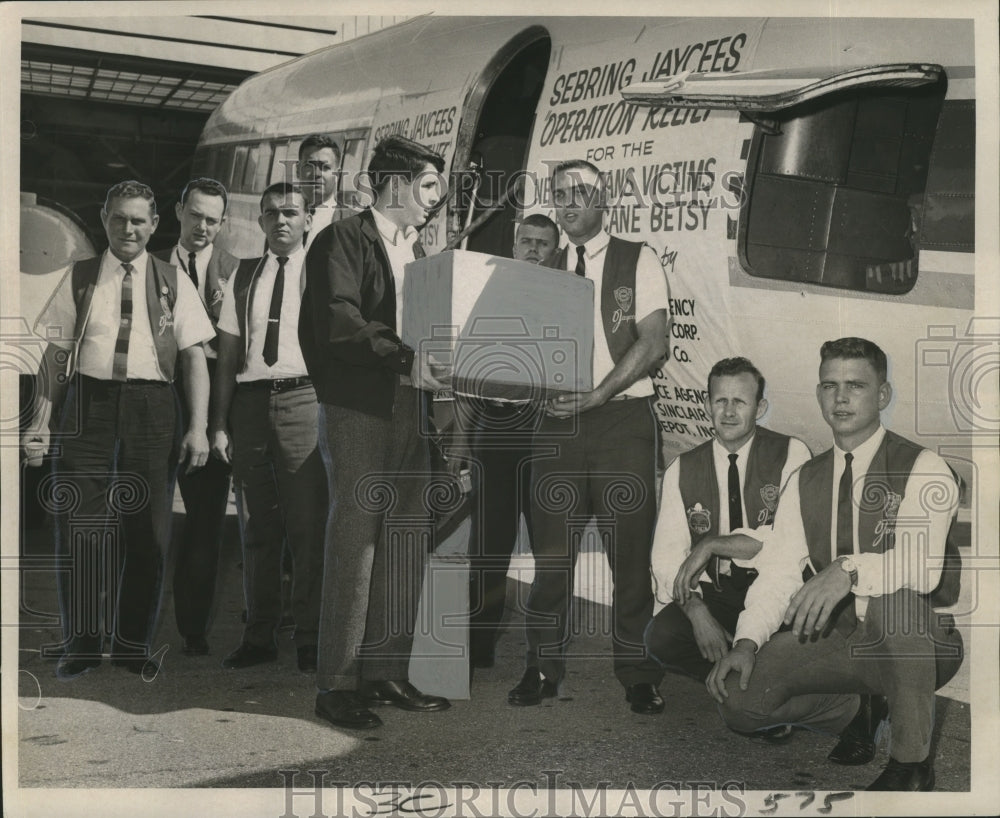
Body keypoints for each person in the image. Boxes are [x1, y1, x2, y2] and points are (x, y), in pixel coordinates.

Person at [707, 337, 964, 791]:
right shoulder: (806, 478)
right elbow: (781, 572)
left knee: (895, 601)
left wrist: (846, 569)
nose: (841, 398)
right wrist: (746, 642)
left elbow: (921, 566)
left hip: (920, 644)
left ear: (882, 396)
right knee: (741, 703)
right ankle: (859, 708)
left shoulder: (923, 466)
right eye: (829, 386)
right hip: (847, 641)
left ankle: (911, 765)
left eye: (855, 386)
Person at [21, 180, 214, 680]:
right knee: (81, 529)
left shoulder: (174, 280)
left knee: (147, 533)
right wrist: (41, 420)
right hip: (89, 406)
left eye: (138, 220)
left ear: (153, 225)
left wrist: (197, 427)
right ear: (104, 218)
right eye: (118, 218)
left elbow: (194, 357)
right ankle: (83, 644)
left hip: (153, 408)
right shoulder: (79, 276)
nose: (128, 228)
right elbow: (57, 354)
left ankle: (131, 645)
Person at [299, 135, 451, 730]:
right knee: (356, 541)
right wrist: (404, 357)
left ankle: (385, 671)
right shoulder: (342, 238)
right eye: (429, 185)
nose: (436, 199)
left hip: (413, 409)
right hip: (361, 407)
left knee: (405, 538)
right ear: (393, 183)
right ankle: (336, 684)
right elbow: (338, 320)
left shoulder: (419, 250)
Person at [509, 159, 670, 713]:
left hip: (622, 419)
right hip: (555, 425)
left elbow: (654, 342)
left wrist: (600, 392)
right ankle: (541, 666)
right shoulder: (539, 268)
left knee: (629, 551)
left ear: (605, 198)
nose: (568, 202)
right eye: (559, 194)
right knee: (552, 555)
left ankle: (638, 672)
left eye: (580, 192)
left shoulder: (637, 257)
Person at [209, 182, 327, 674]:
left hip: (305, 400)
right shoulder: (243, 275)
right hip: (253, 405)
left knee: (307, 526)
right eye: (272, 213)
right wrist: (219, 423)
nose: (281, 221)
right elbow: (230, 354)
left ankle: (311, 638)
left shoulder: (321, 274)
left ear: (307, 220)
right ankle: (259, 635)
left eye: (291, 213)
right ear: (260, 222)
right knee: (257, 528)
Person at [644, 357, 810, 687]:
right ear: (707, 404)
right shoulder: (684, 467)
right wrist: (696, 610)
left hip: (778, 586)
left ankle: (761, 689)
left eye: (740, 402)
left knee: (805, 638)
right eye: (720, 401)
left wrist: (712, 543)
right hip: (719, 592)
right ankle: (736, 689)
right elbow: (665, 559)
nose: (729, 412)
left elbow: (784, 539)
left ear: (760, 407)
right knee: (660, 636)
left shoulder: (791, 454)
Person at [466, 214, 560, 672]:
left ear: (555, 251)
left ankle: (542, 654)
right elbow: (465, 374)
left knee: (549, 545)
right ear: (514, 244)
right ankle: (475, 648)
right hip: (496, 428)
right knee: (489, 545)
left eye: (544, 244)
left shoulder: (569, 297)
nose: (534, 250)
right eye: (526, 241)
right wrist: (460, 449)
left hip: (547, 430)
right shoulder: (489, 292)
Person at [153, 178, 239, 656]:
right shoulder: (151, 266)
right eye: (195, 215)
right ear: (179, 211)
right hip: (161, 400)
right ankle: (128, 626)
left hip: (213, 405)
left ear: (223, 223)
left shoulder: (237, 271)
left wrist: (219, 423)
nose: (202, 226)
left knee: (205, 524)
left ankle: (193, 630)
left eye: (212, 219)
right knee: (144, 517)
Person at [297, 134, 343, 249]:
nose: (316, 174)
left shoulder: (352, 224)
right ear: (298, 170)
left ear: (337, 174)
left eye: (325, 167)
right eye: (309, 166)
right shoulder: (281, 217)